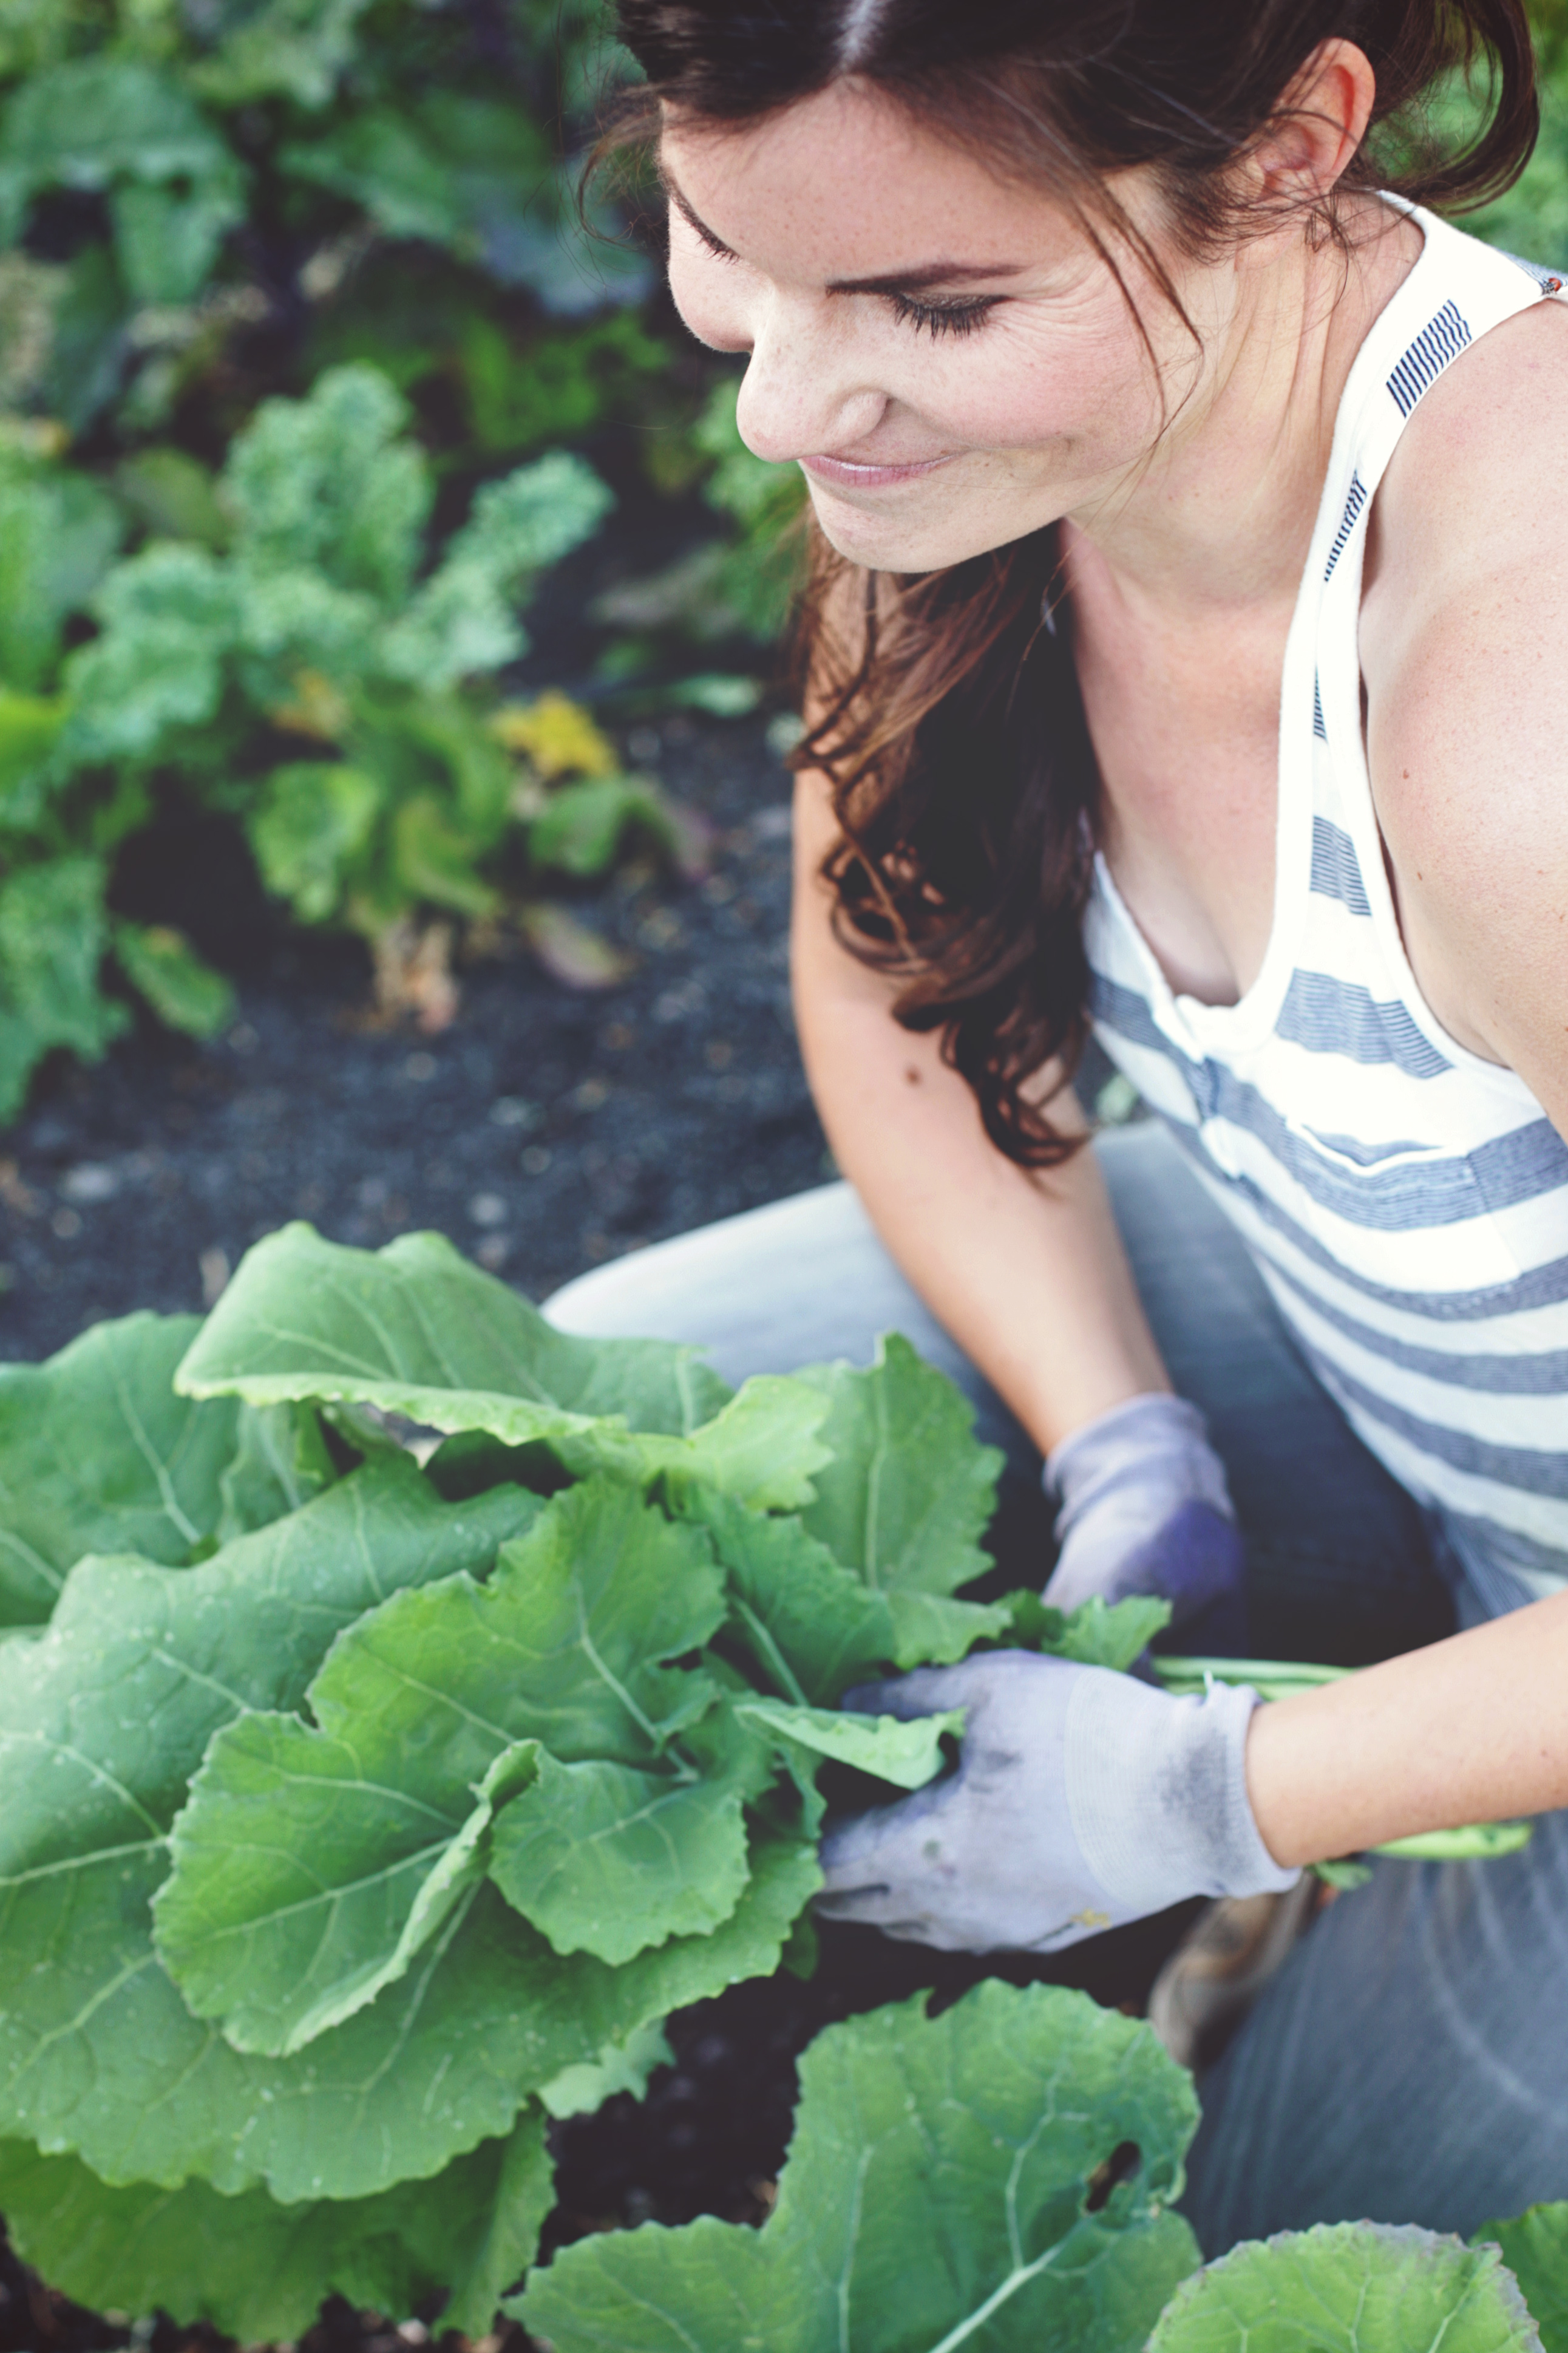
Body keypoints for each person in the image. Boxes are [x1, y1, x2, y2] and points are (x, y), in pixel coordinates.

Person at [548, 0, 1568, 2244]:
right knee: (595, 1417)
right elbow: (886, 972)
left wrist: (1217, 1788)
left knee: (1279, 2243)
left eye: (933, 301)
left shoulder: (1525, 718)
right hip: (1386, 1364)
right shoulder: (998, 449)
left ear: (1298, 143)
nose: (777, 406)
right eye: (726, 251)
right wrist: (1119, 1431)